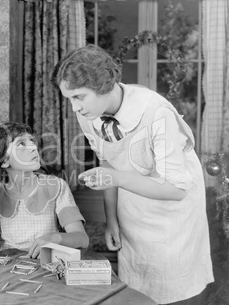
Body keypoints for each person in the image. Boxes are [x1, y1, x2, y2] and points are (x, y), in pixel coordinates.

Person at [52, 44, 213, 305]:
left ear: (104, 84)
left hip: (172, 217)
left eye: (79, 97)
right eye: (69, 99)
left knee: (176, 288)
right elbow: (108, 161)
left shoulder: (157, 113)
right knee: (137, 292)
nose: (74, 108)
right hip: (132, 209)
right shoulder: (89, 114)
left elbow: (175, 189)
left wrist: (116, 178)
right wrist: (112, 219)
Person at [0, 122, 89, 258]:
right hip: (8, 267)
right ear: (4, 161)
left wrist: (55, 238)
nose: (33, 147)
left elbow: (82, 239)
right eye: (21, 144)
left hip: (44, 267)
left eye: (32, 141)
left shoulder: (56, 186)